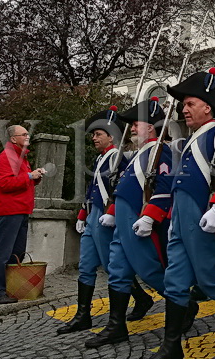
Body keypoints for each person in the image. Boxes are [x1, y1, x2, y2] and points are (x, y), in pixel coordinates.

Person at [133, 68, 215, 359]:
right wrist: (171, 218)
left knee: (211, 282)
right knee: (174, 282)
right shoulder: (185, 142)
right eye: (183, 105)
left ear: (207, 106)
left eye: (190, 104)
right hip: (181, 221)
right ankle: (171, 349)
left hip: (203, 219)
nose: (184, 110)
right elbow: (176, 185)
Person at [57, 107, 152, 336]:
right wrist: (82, 214)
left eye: (99, 134)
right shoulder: (100, 158)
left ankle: (141, 298)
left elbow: (120, 188)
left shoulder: (118, 158)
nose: (94, 138)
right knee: (86, 265)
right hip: (93, 215)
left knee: (113, 266)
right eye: (93, 134)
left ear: (112, 136)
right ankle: (83, 315)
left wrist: (110, 212)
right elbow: (92, 190)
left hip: (106, 216)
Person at [86, 98, 171, 347]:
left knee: (149, 270)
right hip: (123, 221)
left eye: (137, 124)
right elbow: (124, 187)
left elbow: (164, 187)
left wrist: (150, 216)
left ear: (152, 127)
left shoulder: (160, 151)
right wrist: (112, 211)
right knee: (117, 271)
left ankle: (183, 303)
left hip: (137, 220)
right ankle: (116, 325)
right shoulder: (138, 154)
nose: (132, 129)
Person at [0, 125, 44, 305]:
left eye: (28, 133)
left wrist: (35, 176)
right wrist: (29, 176)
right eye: (24, 134)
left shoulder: (20, 157)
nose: (28, 136)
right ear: (13, 139)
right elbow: (4, 183)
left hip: (20, 210)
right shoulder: (6, 158)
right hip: (9, 210)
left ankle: (10, 287)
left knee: (16, 252)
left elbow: (23, 182)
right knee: (3, 253)